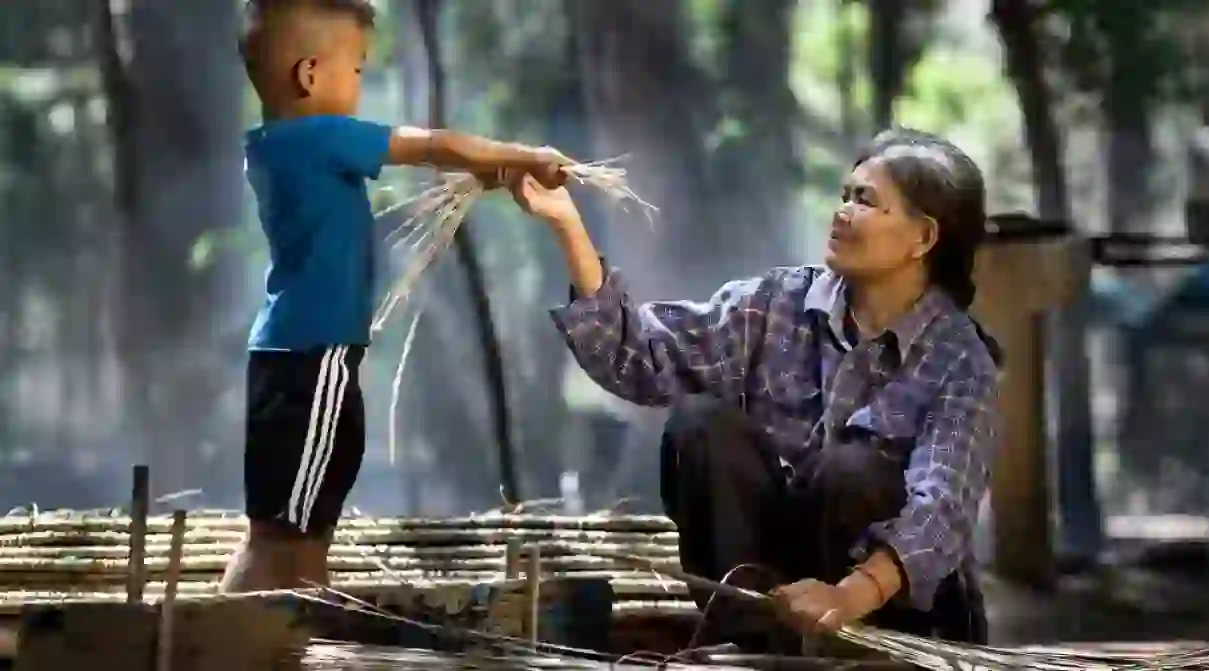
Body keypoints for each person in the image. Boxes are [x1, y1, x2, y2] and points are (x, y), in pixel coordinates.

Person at [511, 128, 1001, 648]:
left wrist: (848, 597)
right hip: (776, 600)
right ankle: (751, 643)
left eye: (865, 201)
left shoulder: (961, 360)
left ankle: (846, 650)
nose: (841, 212)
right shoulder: (775, 303)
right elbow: (641, 357)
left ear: (923, 238)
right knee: (700, 425)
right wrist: (567, 224)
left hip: (891, 620)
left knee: (851, 469)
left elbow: (941, 508)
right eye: (844, 196)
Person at [220, 0, 569, 593]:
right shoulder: (319, 136)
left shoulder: (278, 146)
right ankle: (240, 636)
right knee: (286, 532)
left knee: (301, 522)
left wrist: (487, 172)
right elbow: (434, 145)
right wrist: (525, 156)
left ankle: (297, 623)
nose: (360, 85)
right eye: (356, 69)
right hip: (314, 355)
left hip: (299, 353)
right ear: (309, 75)